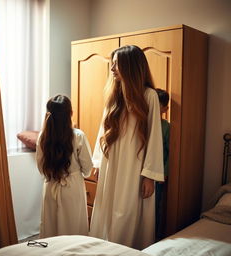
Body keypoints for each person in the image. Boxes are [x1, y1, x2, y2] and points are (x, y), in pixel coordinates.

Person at [89, 45, 164, 250]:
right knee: (107, 210)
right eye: (112, 63)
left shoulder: (149, 96)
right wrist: (97, 162)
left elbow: (155, 137)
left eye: (116, 64)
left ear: (130, 66)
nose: (112, 68)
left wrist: (149, 175)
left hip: (135, 166)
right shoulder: (114, 97)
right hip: (111, 163)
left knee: (126, 212)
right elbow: (102, 132)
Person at [36, 94, 93, 238]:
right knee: (73, 230)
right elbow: (87, 169)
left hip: (50, 187)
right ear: (70, 113)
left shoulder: (43, 136)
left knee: (51, 228)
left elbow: (40, 167)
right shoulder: (78, 136)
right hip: (72, 188)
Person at [155, 88, 170, 241]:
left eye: (157, 105)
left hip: (158, 174)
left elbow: (170, 151)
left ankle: (154, 235)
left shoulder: (166, 127)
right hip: (140, 172)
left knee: (155, 207)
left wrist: (164, 172)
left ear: (165, 109)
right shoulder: (143, 123)